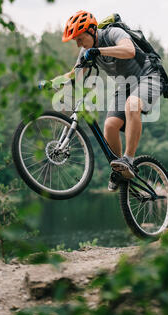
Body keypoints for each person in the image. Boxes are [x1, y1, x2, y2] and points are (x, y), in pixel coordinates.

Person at [59, 10, 162, 192]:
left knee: (132, 105)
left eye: (80, 39)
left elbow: (129, 51)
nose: (78, 45)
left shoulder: (112, 33)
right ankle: (121, 172)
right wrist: (53, 82)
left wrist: (98, 50)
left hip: (150, 75)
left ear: (91, 31)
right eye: (76, 41)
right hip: (127, 85)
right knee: (110, 126)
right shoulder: (86, 51)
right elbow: (74, 74)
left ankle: (128, 160)